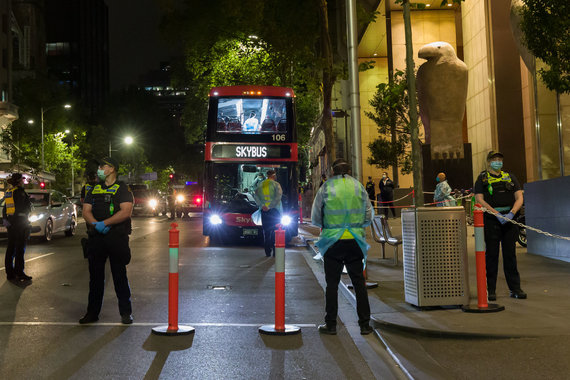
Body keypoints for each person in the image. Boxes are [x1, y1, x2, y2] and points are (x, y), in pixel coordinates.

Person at [311, 159, 374, 336]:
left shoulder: (326, 187)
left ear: (333, 171)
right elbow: (369, 213)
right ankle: (364, 325)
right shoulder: (358, 186)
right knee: (359, 283)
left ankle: (330, 324)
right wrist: (358, 225)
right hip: (355, 241)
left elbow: (316, 215)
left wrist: (326, 225)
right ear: (349, 170)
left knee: (332, 284)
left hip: (333, 241)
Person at [80, 157, 135, 324]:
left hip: (116, 237)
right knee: (95, 278)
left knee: (119, 275)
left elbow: (126, 211)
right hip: (97, 237)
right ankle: (92, 313)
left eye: (102, 166)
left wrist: (106, 223)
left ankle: (125, 313)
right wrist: (96, 225)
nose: (99, 169)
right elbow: (86, 210)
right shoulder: (94, 189)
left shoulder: (123, 189)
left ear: (112, 169)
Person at [474, 151, 526, 301]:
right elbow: (479, 199)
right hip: (491, 221)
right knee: (491, 255)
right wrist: (496, 214)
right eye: (494, 159)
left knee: (510, 255)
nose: (498, 162)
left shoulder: (510, 177)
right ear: (489, 162)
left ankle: (515, 289)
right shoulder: (482, 178)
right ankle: (490, 290)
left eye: (500, 159)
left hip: (510, 220)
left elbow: (519, 197)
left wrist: (512, 213)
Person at [3, 173, 32, 282]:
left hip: (11, 224)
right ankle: (19, 273)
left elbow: (5, 208)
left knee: (10, 249)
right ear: (20, 181)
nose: (24, 181)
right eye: (23, 179)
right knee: (20, 249)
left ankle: (10, 273)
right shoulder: (20, 192)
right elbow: (22, 208)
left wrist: (7, 220)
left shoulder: (9, 192)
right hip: (20, 223)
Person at [253, 169, 282, 257]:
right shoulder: (276, 185)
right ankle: (275, 251)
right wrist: (270, 206)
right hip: (275, 211)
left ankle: (267, 251)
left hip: (264, 211)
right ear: (273, 176)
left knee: (266, 231)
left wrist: (262, 206)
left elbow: (256, 196)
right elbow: (278, 197)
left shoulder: (260, 184)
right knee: (275, 231)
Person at [80, 171, 99, 258]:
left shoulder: (85, 187)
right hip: (97, 211)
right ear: (95, 178)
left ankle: (90, 248)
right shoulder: (99, 186)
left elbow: (82, 200)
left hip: (88, 212)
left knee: (91, 231)